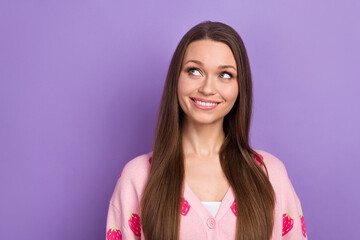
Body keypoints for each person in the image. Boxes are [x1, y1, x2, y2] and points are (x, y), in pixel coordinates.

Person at [106, 21, 308, 240]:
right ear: (177, 78)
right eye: (194, 71)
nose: (207, 88)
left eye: (225, 75)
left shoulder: (270, 175)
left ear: (240, 87)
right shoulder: (137, 178)